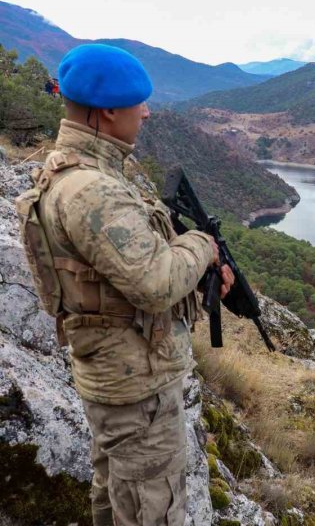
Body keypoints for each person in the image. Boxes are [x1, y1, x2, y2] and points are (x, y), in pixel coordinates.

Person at [21, 43, 234, 525]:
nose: (146, 112)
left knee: (117, 500)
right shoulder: (93, 190)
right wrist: (202, 245)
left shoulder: (73, 172)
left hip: (117, 378)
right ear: (108, 111)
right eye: (138, 102)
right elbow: (156, 283)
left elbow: (119, 276)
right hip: (138, 393)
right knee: (150, 510)